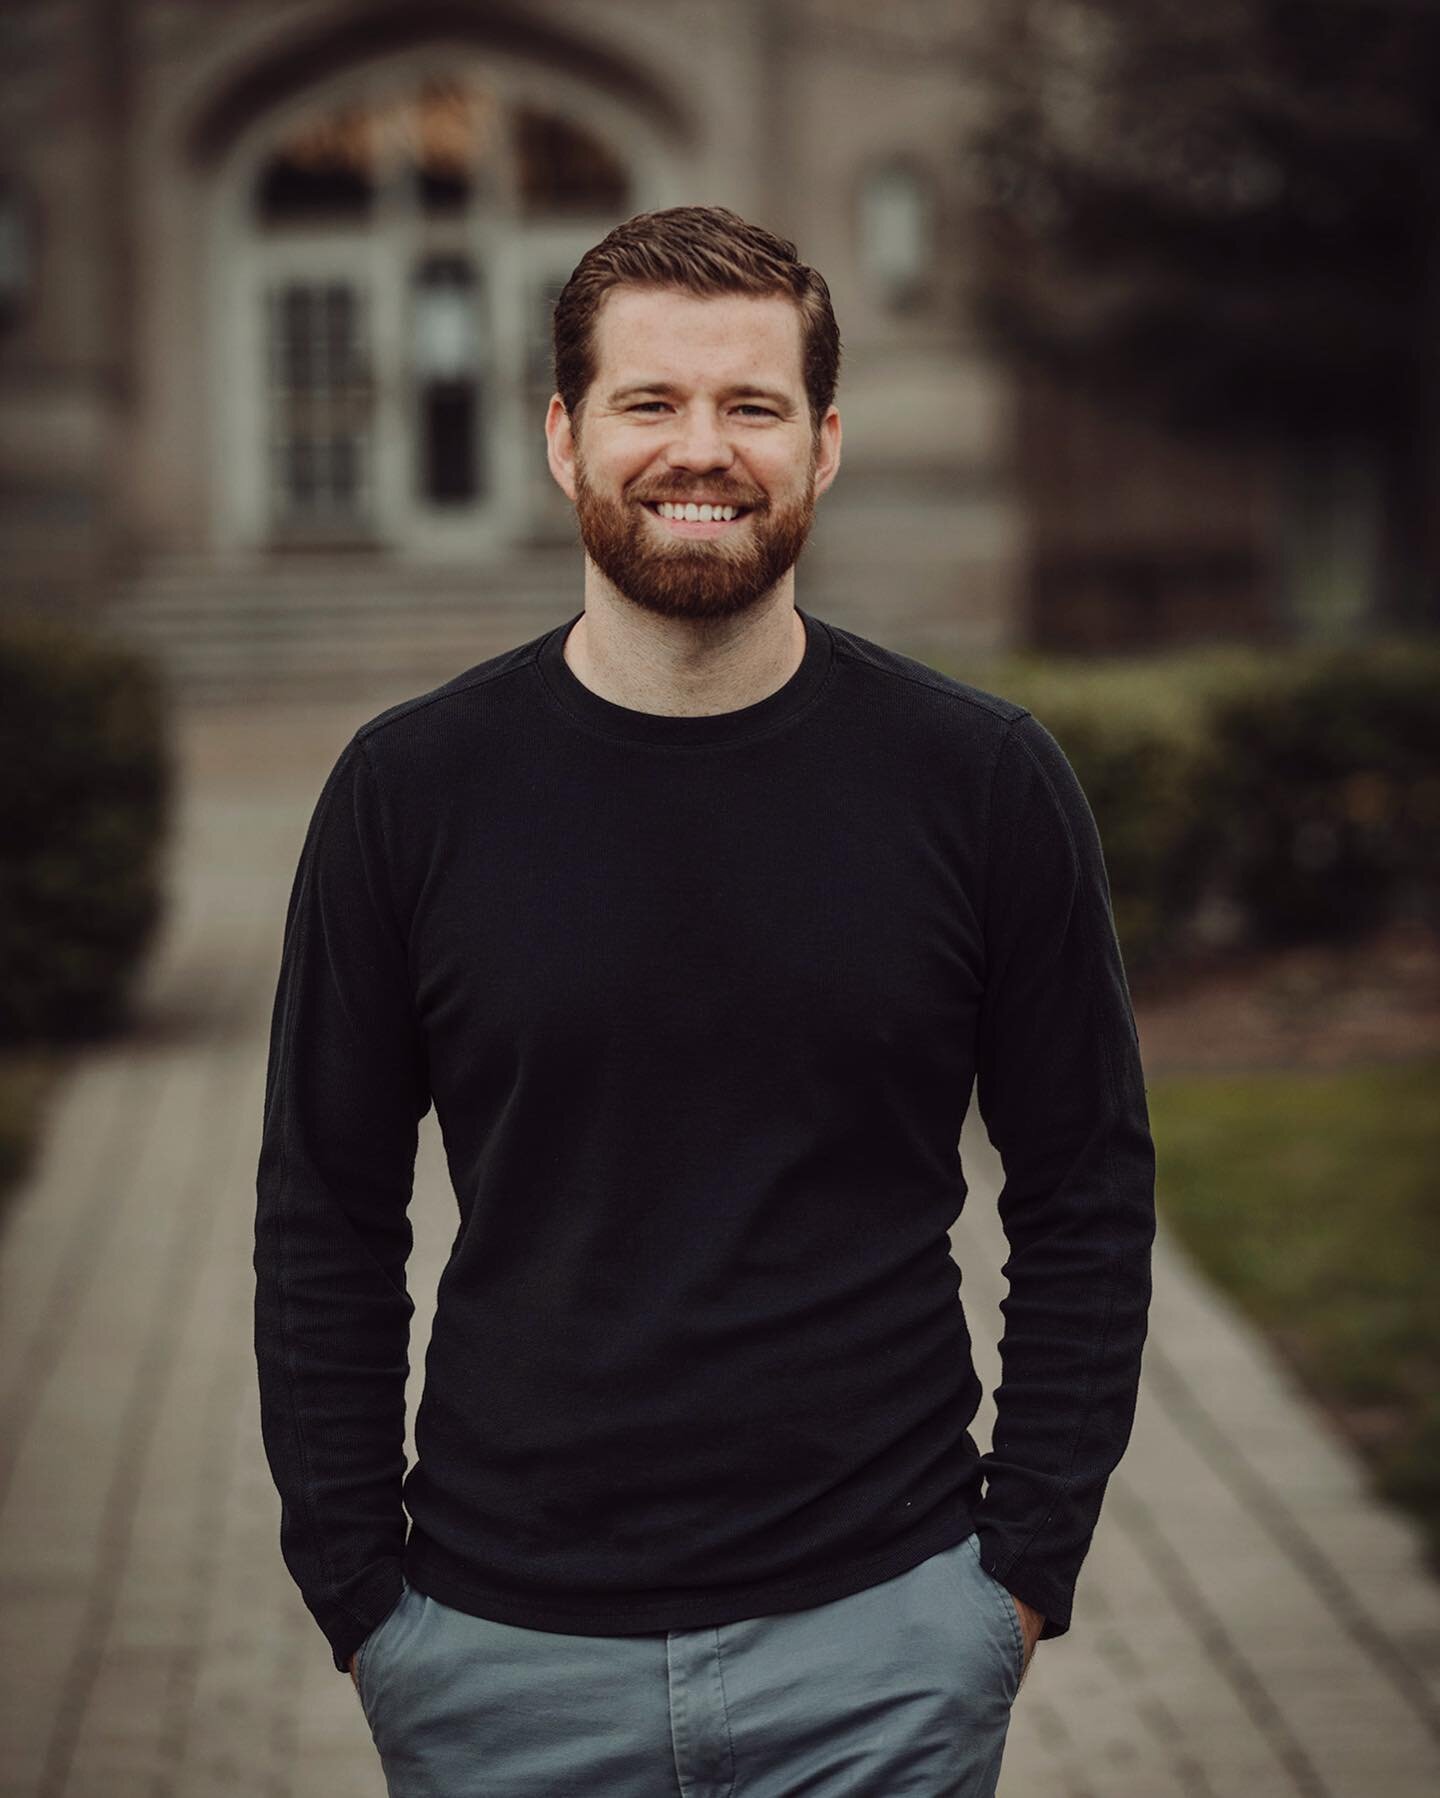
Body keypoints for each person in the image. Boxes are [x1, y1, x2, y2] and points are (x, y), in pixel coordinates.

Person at [254, 204, 1156, 1797]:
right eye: (649, 403)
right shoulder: (412, 789)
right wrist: (360, 1596)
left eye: (750, 406)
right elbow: (324, 1206)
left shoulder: (980, 780)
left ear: (823, 444)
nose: (702, 450)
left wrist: (1020, 1572)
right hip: (495, 1653)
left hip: (886, 1638)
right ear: (563, 436)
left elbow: (1088, 1183)